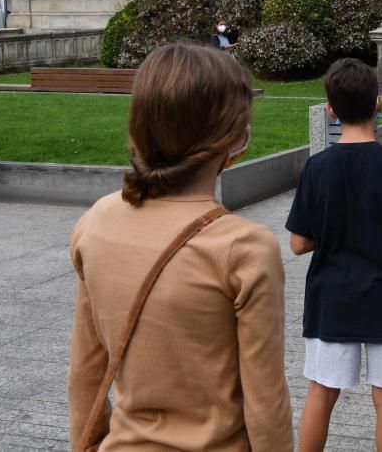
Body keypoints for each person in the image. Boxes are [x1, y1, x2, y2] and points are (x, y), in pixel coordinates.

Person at [68, 44, 293, 451]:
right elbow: (265, 401)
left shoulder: (96, 221)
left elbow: (87, 370)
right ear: (232, 138)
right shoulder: (245, 247)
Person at [287, 59, 382, 452]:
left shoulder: (316, 168)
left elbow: (298, 243)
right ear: (379, 104)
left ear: (330, 110)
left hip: (331, 297)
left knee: (321, 394)